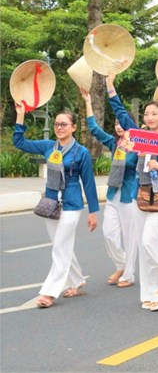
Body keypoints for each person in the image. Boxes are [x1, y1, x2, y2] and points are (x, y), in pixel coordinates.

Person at [107, 74, 158, 311]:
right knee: (144, 245)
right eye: (147, 114)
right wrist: (110, 86)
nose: (150, 117)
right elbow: (121, 112)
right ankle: (151, 291)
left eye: (155, 113)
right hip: (139, 197)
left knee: (153, 241)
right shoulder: (139, 136)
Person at [14, 104, 99, 308]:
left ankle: (49, 292)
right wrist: (19, 116)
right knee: (61, 246)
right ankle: (78, 280)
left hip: (72, 205)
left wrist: (93, 211)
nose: (59, 128)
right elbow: (19, 142)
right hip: (51, 204)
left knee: (60, 246)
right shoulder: (47, 146)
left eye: (64, 124)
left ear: (73, 128)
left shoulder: (81, 152)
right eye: (57, 124)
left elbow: (88, 182)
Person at [81, 88, 138, 288]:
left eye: (122, 122)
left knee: (130, 237)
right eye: (115, 123)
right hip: (114, 193)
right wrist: (88, 101)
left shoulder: (138, 145)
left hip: (130, 195)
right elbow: (95, 129)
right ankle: (121, 264)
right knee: (109, 233)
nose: (119, 126)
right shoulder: (115, 143)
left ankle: (129, 274)